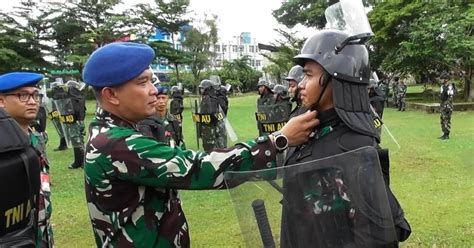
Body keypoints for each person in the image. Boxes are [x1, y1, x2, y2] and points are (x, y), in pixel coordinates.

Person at [81, 42, 318, 247]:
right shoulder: (114, 143)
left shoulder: (119, 131)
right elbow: (199, 168)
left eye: (151, 81)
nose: (154, 91)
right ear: (111, 95)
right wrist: (278, 140)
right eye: (143, 83)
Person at [281, 29, 411, 247]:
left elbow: (376, 236)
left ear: (336, 79)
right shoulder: (304, 131)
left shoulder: (354, 147)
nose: (301, 84)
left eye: (309, 75)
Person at [0, 72, 54, 247]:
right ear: (1, 101)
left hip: (40, 228)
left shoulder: (37, 138)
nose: (32, 101)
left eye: (35, 95)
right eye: (23, 95)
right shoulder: (4, 149)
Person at [196, 79, 227, 152]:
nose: (201, 90)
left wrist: (200, 118)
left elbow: (212, 116)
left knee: (213, 151)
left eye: (202, 88)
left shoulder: (211, 100)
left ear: (207, 89)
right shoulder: (205, 99)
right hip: (206, 130)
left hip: (211, 131)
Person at [64, 80, 86, 169]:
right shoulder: (79, 97)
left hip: (75, 122)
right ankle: (78, 161)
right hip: (79, 122)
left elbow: (75, 111)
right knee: (79, 142)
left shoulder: (72, 99)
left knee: (77, 142)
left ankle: (82, 162)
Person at [49, 81, 69, 151]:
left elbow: (56, 108)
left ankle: (63, 145)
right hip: (64, 115)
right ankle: (65, 144)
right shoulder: (65, 94)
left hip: (59, 115)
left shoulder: (56, 96)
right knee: (64, 130)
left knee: (62, 130)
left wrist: (53, 115)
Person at [438, 72, 456, 140]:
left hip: (447, 106)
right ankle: (444, 133)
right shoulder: (442, 86)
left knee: (447, 120)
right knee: (442, 119)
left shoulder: (450, 86)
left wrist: (447, 105)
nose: (441, 80)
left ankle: (447, 134)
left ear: (446, 79)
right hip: (443, 105)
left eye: (442, 79)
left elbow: (450, 97)